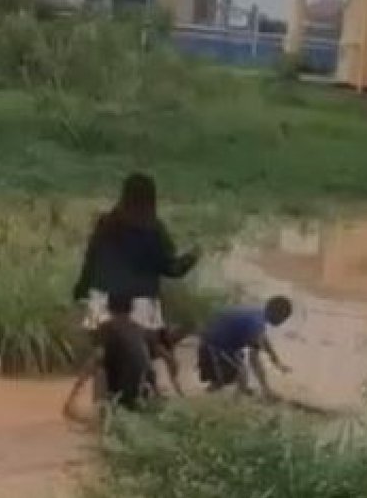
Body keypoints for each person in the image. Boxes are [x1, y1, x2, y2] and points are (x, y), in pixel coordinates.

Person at [73, 173, 199, 392]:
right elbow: (171, 269)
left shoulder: (106, 223)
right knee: (148, 353)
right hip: (141, 304)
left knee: (102, 354)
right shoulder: (154, 229)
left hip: (101, 301)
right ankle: (147, 396)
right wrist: (193, 257)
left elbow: (90, 260)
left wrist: (80, 291)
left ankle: (98, 406)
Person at [64, 293, 157, 418]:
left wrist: (73, 395)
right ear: (131, 309)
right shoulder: (138, 330)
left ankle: (100, 414)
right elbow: (149, 367)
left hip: (120, 396)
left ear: (108, 308)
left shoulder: (107, 328)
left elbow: (96, 358)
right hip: (141, 394)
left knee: (100, 369)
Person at [198, 296, 293, 399]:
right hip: (213, 348)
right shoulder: (256, 323)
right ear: (277, 314)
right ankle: (230, 402)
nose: (283, 322)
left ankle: (227, 396)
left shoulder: (258, 314)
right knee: (240, 374)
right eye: (284, 318)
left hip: (224, 346)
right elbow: (254, 360)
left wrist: (276, 361)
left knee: (238, 372)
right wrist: (266, 388)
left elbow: (263, 340)